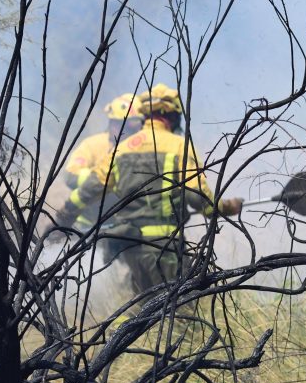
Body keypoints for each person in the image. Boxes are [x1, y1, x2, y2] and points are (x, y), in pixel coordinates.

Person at [57, 83, 242, 298]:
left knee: (134, 311)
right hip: (165, 249)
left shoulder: (122, 149)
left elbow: (88, 189)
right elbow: (199, 199)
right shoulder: (179, 146)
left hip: (129, 248)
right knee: (177, 313)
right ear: (172, 116)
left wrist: (65, 215)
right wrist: (227, 207)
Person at [61, 93, 144, 235]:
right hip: (87, 226)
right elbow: (71, 175)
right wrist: (100, 179)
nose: (123, 130)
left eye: (131, 127)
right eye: (117, 123)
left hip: (126, 228)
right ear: (111, 122)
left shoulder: (144, 149)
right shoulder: (93, 145)